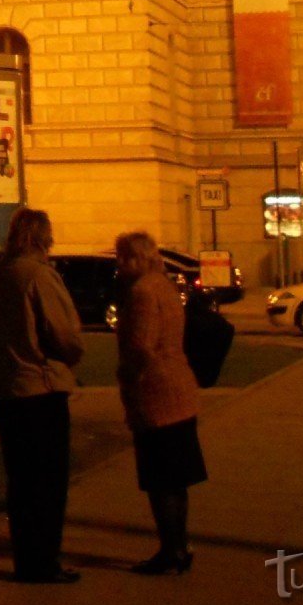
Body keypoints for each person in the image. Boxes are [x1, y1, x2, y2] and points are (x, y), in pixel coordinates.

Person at [0, 206, 85, 584]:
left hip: (7, 388)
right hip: (40, 388)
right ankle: (45, 560)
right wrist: (72, 357)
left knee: (21, 480)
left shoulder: (0, 274)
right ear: (43, 237)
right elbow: (64, 333)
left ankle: (26, 558)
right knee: (48, 481)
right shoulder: (39, 276)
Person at [114, 231, 205, 575]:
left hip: (156, 393)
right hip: (179, 389)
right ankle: (179, 545)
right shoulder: (165, 287)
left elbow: (140, 345)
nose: (119, 266)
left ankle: (171, 551)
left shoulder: (142, 292)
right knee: (177, 478)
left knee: (160, 478)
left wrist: (128, 376)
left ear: (136, 258)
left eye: (123, 258)